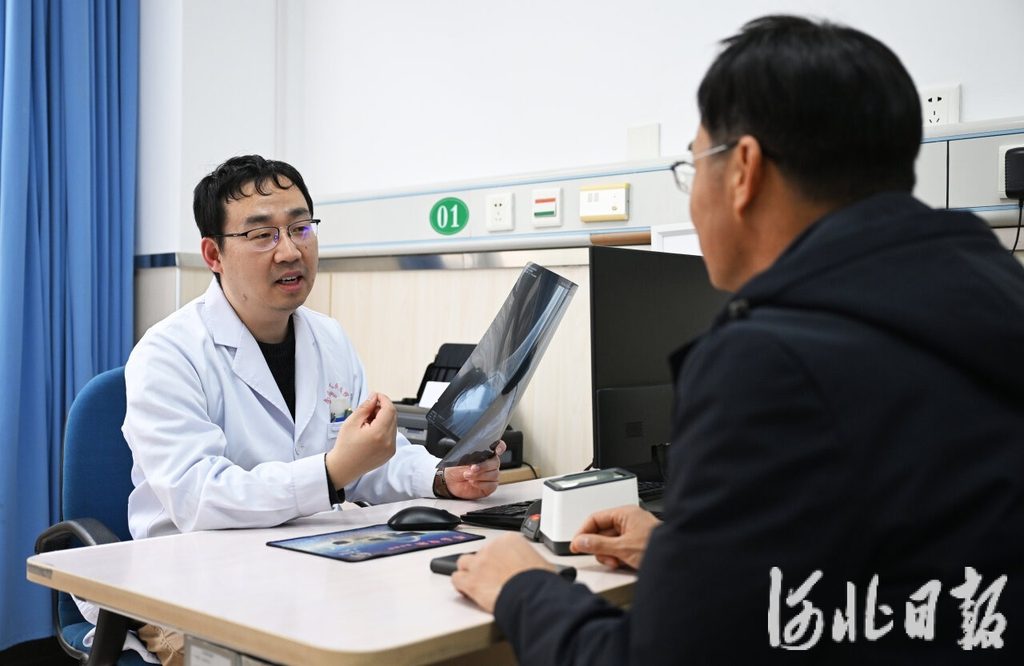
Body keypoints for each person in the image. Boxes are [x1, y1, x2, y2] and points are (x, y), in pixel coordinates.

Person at [451, 15, 1024, 664]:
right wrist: (689, 556)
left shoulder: (768, 362)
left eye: (692, 164)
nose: (694, 194)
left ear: (744, 168)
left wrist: (524, 588)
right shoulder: (996, 295)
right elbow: (898, 554)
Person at [111, 155, 504, 664]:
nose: (290, 251)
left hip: (310, 564)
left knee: (446, 631)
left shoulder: (328, 338)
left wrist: (442, 478)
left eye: (301, 228)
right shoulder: (168, 353)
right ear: (213, 254)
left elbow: (368, 461)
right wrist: (331, 472)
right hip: (192, 584)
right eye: (262, 235)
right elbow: (198, 498)